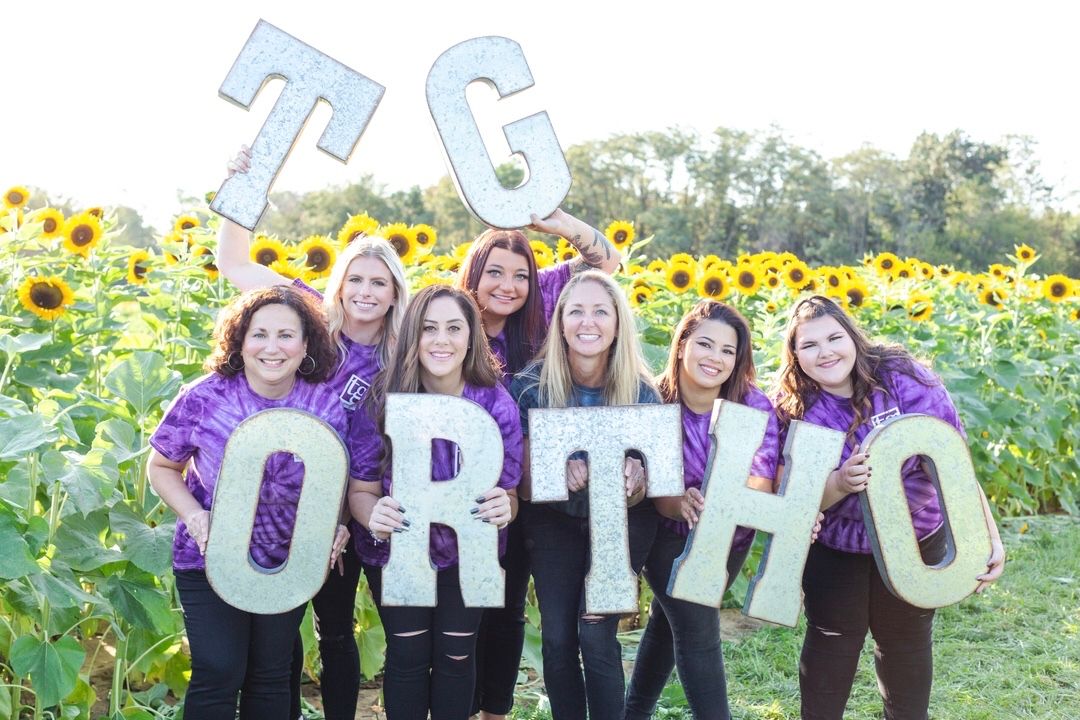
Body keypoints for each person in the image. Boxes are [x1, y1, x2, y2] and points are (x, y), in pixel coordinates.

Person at [218, 146, 409, 720]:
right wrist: (242, 186)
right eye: (356, 278)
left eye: (380, 281)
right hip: (301, 500)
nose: (366, 291)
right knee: (306, 622)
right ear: (340, 282)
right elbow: (233, 262)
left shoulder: (406, 352)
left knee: (369, 631)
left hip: (372, 500)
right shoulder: (307, 316)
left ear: (396, 291)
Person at [773, 295, 1006, 720]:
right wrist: (841, 482)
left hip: (915, 535)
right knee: (832, 638)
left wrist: (989, 538)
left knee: (906, 641)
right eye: (809, 345)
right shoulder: (795, 408)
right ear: (795, 355)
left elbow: (954, 464)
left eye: (833, 338)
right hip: (837, 545)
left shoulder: (903, 377)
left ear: (853, 337)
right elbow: (796, 500)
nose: (825, 352)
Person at [147, 286, 358, 720]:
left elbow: (333, 481)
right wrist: (194, 515)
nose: (272, 347)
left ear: (306, 345)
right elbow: (161, 468)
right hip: (210, 556)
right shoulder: (205, 396)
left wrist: (336, 524)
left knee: (271, 673)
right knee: (218, 668)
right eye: (259, 334)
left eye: (286, 335)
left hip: (288, 563)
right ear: (240, 342)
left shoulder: (325, 405)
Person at [457, 215, 621, 720]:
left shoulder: (544, 302)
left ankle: (495, 711)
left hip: (520, 488)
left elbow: (607, 262)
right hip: (453, 479)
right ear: (473, 275)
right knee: (462, 608)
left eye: (520, 275)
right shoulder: (448, 318)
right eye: (495, 273)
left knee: (506, 607)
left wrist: (551, 221)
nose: (509, 286)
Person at [348, 284, 523, 720]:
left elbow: (511, 495)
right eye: (429, 328)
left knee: (457, 656)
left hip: (469, 555)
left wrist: (507, 506)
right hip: (398, 551)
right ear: (412, 336)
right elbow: (361, 489)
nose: (441, 340)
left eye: (453, 328)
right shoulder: (382, 399)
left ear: (471, 336)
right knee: (407, 657)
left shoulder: (495, 403)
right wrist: (374, 515)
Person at [510, 271, 658, 720]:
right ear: (560, 322)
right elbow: (521, 482)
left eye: (600, 311)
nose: (587, 321)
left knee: (595, 635)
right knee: (557, 640)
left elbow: (653, 480)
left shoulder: (641, 393)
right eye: (576, 311)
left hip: (622, 521)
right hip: (553, 520)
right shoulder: (530, 388)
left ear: (618, 323)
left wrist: (639, 474)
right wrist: (552, 468)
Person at [624, 300, 779, 720]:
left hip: (731, 539)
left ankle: (632, 712)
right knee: (697, 631)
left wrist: (725, 499)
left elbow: (760, 483)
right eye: (705, 344)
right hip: (666, 536)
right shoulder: (653, 402)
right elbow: (655, 491)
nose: (715, 358)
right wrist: (681, 501)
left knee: (668, 619)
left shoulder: (754, 405)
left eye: (728, 351)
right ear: (681, 345)